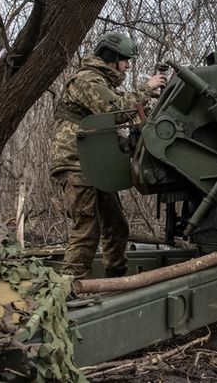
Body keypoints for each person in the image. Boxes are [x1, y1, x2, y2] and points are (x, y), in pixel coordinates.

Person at [49, 32, 166, 278]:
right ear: (111, 58)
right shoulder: (87, 80)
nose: (127, 66)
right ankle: (69, 290)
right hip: (76, 163)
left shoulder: (101, 83)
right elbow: (114, 111)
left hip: (93, 163)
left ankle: (116, 280)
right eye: (125, 60)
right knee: (87, 230)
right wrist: (147, 88)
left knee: (116, 226)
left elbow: (106, 121)